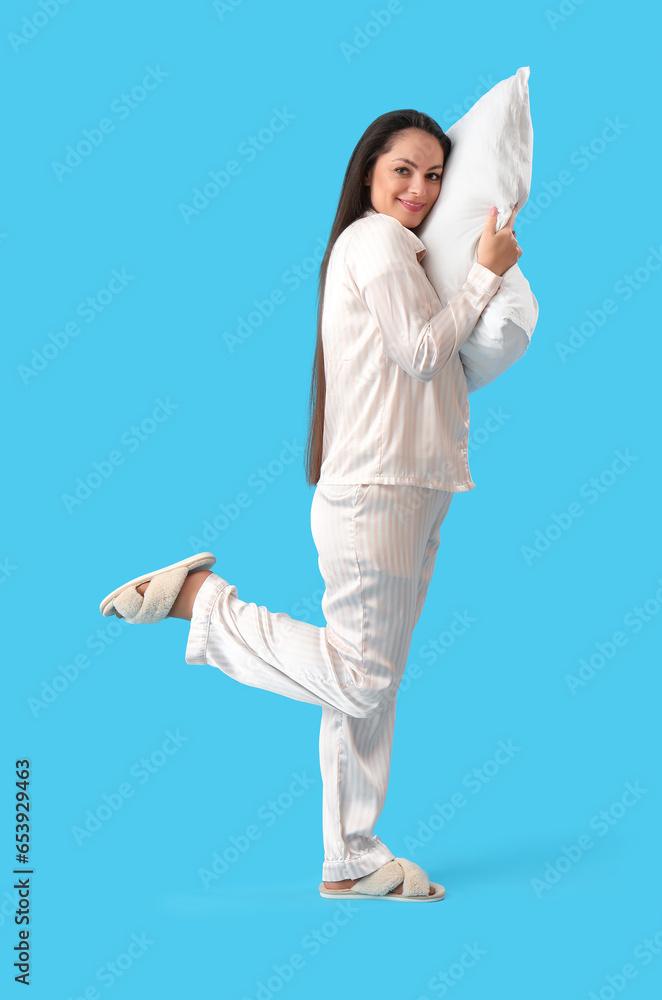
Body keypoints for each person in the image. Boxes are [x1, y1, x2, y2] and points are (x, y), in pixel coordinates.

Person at [99, 109, 522, 902]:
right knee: (362, 678)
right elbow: (425, 351)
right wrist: (486, 274)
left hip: (413, 488)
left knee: (367, 684)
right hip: (378, 489)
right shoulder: (375, 242)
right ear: (369, 171)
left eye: (435, 175)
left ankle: (351, 857)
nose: (422, 189)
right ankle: (203, 603)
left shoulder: (405, 250)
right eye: (405, 170)